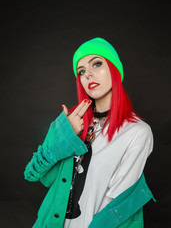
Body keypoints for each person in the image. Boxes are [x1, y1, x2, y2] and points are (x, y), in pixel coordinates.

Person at [24, 38, 155, 228]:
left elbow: (115, 206)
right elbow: (33, 174)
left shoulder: (137, 132)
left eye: (97, 63)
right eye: (82, 71)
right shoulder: (72, 122)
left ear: (114, 69)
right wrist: (66, 136)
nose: (88, 75)